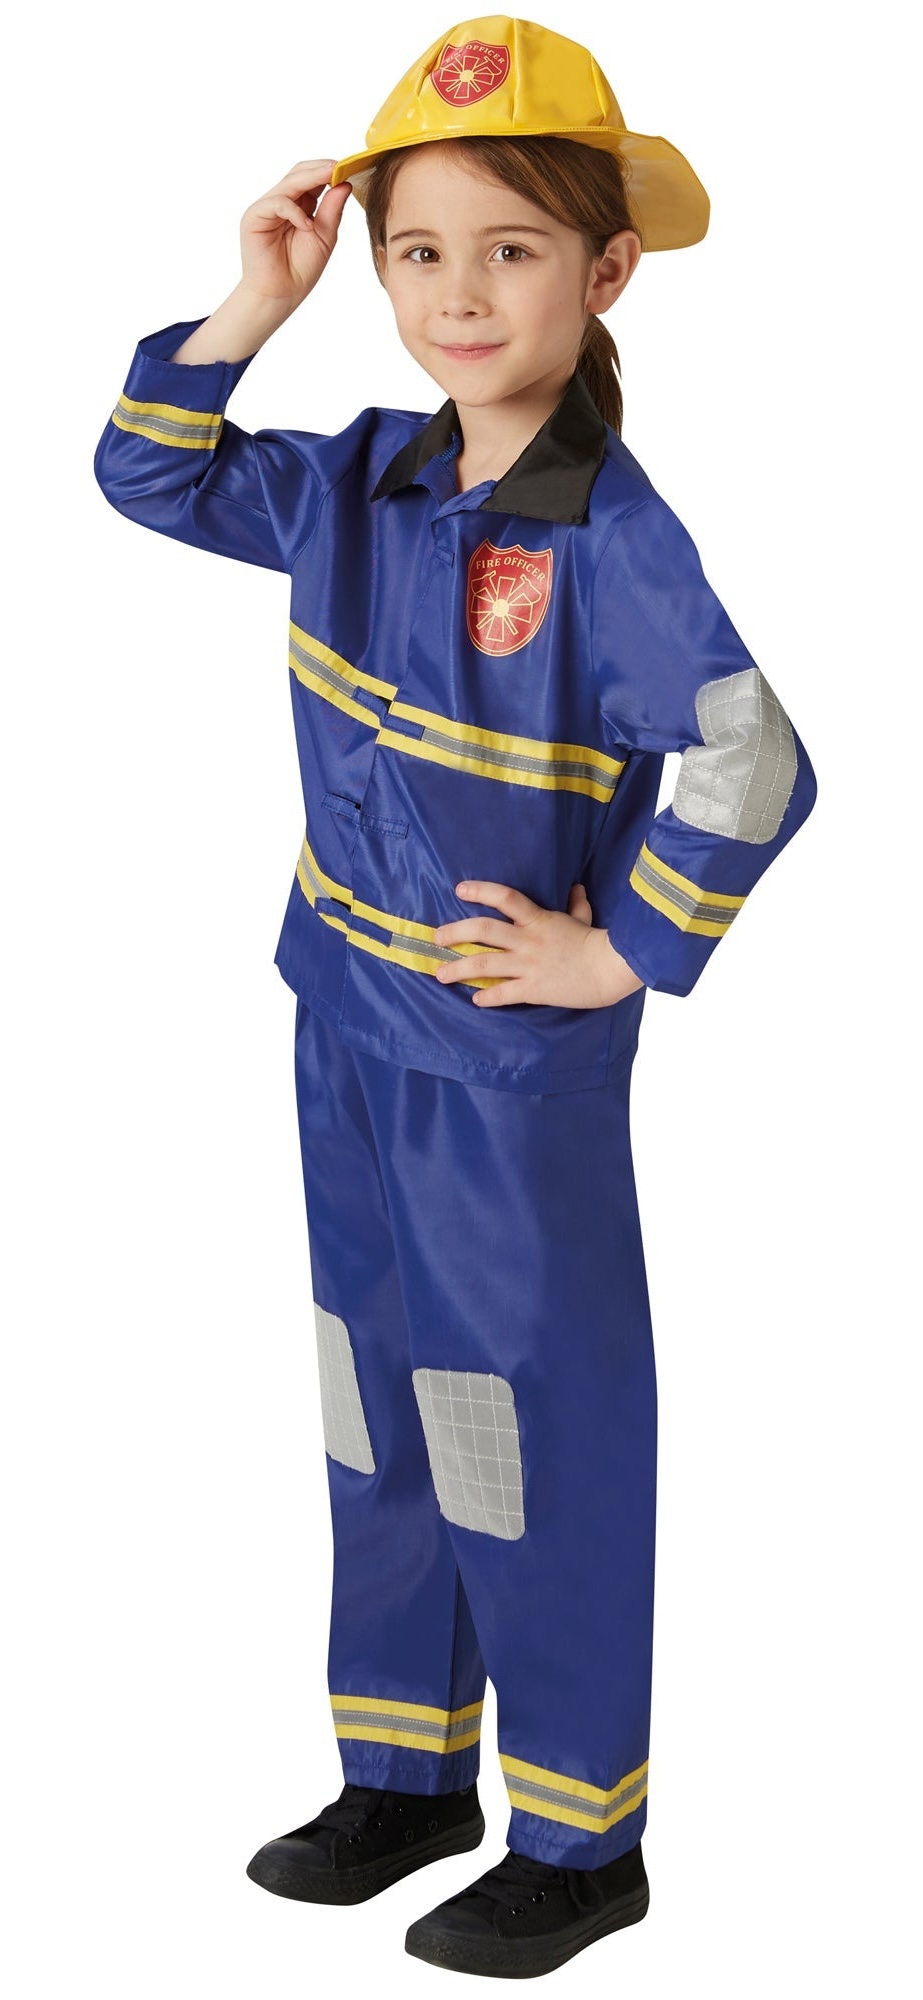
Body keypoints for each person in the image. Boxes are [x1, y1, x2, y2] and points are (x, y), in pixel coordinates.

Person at [93, 13, 817, 1980]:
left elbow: (755, 757)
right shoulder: (357, 481)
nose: (459, 293)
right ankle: (404, 1772)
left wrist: (624, 949)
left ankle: (579, 1832)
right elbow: (144, 476)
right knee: (379, 1404)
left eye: (512, 249)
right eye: (419, 251)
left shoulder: (616, 537)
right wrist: (254, 300)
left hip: (505, 1069)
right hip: (342, 1015)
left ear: (606, 274)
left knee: (525, 1423)